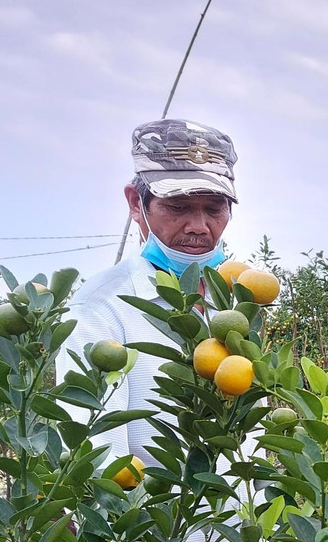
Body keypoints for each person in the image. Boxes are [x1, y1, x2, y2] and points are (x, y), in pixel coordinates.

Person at [63, 118, 240, 469]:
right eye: (178, 207)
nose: (198, 227)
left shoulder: (236, 303)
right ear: (135, 202)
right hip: (151, 523)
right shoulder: (100, 308)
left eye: (214, 208)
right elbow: (98, 458)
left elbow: (249, 440)